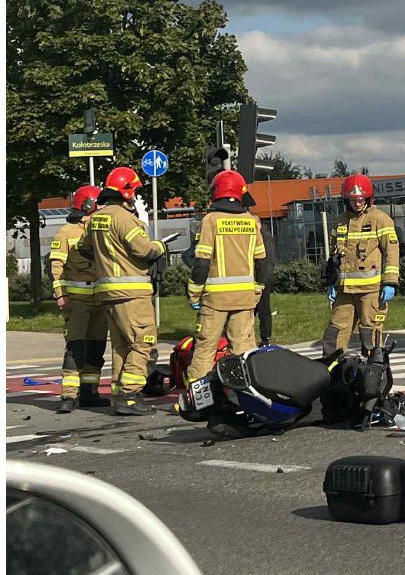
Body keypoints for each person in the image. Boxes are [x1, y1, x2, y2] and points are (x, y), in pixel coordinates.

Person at [77, 166, 166, 416]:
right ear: (127, 193)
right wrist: (159, 246)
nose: (135, 196)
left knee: (121, 346)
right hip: (132, 292)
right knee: (143, 341)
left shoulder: (96, 218)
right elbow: (144, 250)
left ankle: (118, 393)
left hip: (106, 293)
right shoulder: (125, 219)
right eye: (135, 191)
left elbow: (85, 249)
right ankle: (129, 393)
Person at [185, 170, 268, 383]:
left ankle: (198, 399)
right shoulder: (251, 221)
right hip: (244, 298)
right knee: (244, 350)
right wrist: (257, 289)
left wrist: (194, 294)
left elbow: (201, 262)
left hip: (215, 300)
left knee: (205, 350)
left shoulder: (210, 220)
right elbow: (262, 262)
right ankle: (247, 395)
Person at [321, 174, 401, 359]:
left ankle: (373, 375)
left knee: (370, 334)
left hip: (371, 291)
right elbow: (335, 255)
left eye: (360, 199)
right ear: (346, 199)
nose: (357, 203)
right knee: (334, 333)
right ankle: (332, 373)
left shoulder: (380, 219)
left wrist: (390, 282)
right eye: (352, 199)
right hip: (344, 291)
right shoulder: (341, 220)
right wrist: (332, 281)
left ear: (368, 198)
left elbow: (391, 252)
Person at [47, 185, 107, 413]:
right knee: (76, 347)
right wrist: (60, 294)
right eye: (98, 203)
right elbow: (56, 266)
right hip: (77, 300)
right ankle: (69, 395)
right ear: (89, 205)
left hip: (100, 299)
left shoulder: (101, 228)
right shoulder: (66, 232)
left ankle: (90, 391)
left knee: (96, 347)